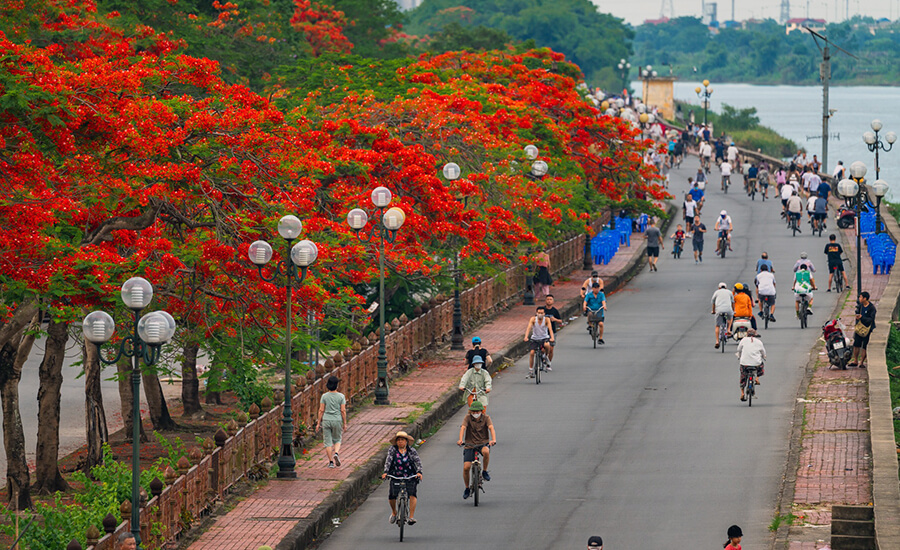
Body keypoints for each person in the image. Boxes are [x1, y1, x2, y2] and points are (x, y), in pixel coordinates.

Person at [457, 401, 496, 499]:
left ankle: (485, 471)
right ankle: (467, 488)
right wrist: (460, 439)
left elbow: (491, 428)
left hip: (483, 443)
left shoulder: (486, 418)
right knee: (466, 467)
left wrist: (493, 439)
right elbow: (463, 428)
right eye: (473, 412)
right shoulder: (467, 418)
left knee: (486, 451)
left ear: (481, 411)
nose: (475, 413)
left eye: (477, 411)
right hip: (470, 444)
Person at [382, 431, 423, 525]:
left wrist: (419, 472)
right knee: (392, 495)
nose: (400, 442)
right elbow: (388, 461)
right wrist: (385, 472)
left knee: (412, 494)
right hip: (396, 475)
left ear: (406, 441)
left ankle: (411, 517)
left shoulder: (411, 451)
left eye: (402, 440)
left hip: (410, 475)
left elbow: (418, 462)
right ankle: (394, 512)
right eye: (399, 440)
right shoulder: (393, 450)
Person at [317, 375, 347, 468]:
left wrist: (318, 423)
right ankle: (336, 453)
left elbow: (321, 410)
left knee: (327, 442)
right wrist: (345, 423)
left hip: (326, 420)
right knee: (337, 439)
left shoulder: (324, 396)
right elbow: (343, 410)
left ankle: (330, 462)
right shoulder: (341, 396)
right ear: (337, 385)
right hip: (337, 419)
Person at [524, 306, 555, 378]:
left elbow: (550, 330)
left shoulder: (547, 320)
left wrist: (552, 338)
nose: (540, 314)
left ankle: (545, 356)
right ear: (536, 313)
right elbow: (528, 328)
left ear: (544, 314)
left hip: (544, 338)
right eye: (539, 313)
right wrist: (526, 337)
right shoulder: (533, 319)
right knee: (532, 353)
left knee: (547, 346)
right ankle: (531, 370)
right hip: (535, 338)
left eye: (541, 313)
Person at [848, 292, 876, 368]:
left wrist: (861, 317)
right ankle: (855, 360)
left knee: (865, 345)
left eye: (861, 297)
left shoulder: (871, 308)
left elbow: (871, 319)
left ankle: (862, 362)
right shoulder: (860, 306)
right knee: (856, 344)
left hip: (867, 329)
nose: (859, 299)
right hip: (859, 328)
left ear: (865, 298)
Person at [736, 330, 766, 401]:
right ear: (755, 334)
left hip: (744, 363)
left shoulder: (743, 340)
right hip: (756, 364)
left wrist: (739, 356)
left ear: (747, 334)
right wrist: (764, 356)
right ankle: (757, 378)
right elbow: (763, 352)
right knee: (761, 366)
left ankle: (742, 393)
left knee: (743, 376)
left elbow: (739, 349)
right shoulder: (759, 342)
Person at [711, 282, 734, 348]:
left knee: (717, 326)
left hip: (719, 310)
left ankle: (717, 341)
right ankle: (729, 329)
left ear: (719, 288)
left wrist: (713, 311)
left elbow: (713, 302)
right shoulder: (729, 292)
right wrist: (733, 310)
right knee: (730, 318)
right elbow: (733, 302)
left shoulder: (716, 292)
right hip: (728, 310)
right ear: (726, 288)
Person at [543, 294, 562, 363]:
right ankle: (542, 358)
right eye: (547, 299)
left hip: (552, 332)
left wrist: (555, 319)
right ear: (545, 300)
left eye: (550, 299)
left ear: (553, 301)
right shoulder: (542, 310)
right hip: (543, 331)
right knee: (543, 348)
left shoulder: (555, 311)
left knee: (551, 349)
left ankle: (549, 363)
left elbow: (560, 321)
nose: (549, 301)